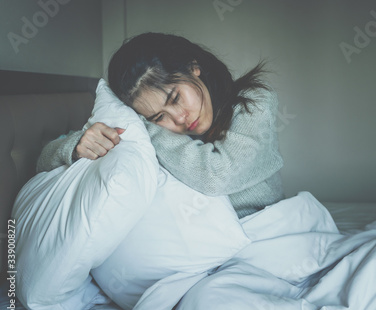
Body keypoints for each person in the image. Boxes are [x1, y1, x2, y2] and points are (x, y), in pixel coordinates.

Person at [36, 32, 285, 218]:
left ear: (193, 68)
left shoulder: (254, 101)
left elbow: (216, 176)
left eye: (175, 98)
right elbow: (42, 160)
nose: (178, 119)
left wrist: (144, 127)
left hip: (263, 227)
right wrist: (77, 146)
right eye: (158, 117)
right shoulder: (154, 127)